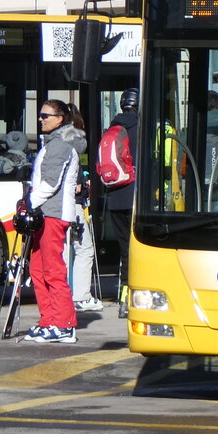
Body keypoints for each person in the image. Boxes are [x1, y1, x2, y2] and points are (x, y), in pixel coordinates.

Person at [22, 99, 82, 344]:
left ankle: (64, 324)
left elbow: (50, 183)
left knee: (53, 271)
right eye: (41, 115)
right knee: (38, 270)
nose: (41, 119)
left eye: (46, 115)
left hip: (53, 214)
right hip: (46, 212)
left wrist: (29, 201)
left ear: (60, 118)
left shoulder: (61, 145)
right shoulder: (54, 142)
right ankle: (49, 320)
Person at [104, 88, 139, 318]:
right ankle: (132, 299)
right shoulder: (141, 127)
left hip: (115, 197)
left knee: (125, 250)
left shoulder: (113, 128)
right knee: (137, 252)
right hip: (135, 197)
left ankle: (123, 299)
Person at [63, 106, 100, 313]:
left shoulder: (54, 141)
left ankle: (66, 294)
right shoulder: (74, 143)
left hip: (58, 205)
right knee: (84, 247)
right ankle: (81, 296)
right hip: (73, 203)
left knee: (66, 249)